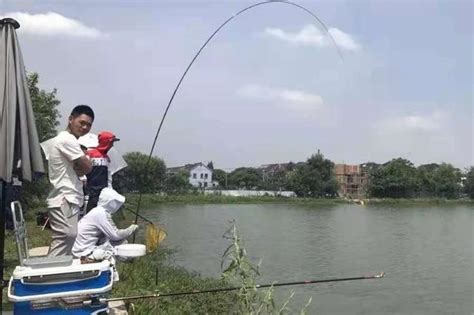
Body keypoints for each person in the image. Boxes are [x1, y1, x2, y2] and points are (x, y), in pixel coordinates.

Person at [46, 105, 94, 256]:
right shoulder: (67, 139)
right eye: (82, 122)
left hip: (68, 197)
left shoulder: (68, 140)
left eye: (88, 125)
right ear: (71, 119)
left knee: (68, 237)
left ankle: (57, 269)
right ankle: (49, 273)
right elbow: (87, 167)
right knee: (66, 236)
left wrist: (81, 166)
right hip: (64, 197)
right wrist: (84, 165)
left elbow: (83, 167)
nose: (85, 127)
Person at [72, 188, 139, 259]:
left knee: (117, 243)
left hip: (80, 248)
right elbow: (116, 235)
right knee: (120, 245)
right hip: (82, 251)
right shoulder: (101, 213)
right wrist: (132, 229)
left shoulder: (97, 211)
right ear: (110, 202)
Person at [84, 131, 120, 212]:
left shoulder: (107, 158)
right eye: (111, 143)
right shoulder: (90, 154)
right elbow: (82, 172)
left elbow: (109, 176)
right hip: (91, 192)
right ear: (106, 142)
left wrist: (110, 191)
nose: (112, 145)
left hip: (103, 194)